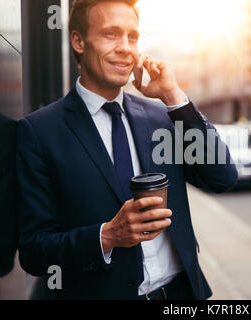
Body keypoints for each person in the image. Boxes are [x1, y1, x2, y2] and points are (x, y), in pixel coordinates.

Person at [16, 0, 237, 300]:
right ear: (78, 41)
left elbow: (222, 177)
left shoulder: (162, 117)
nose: (126, 48)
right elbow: (33, 251)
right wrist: (106, 236)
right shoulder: (39, 132)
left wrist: (174, 97)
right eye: (111, 34)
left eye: (132, 37)